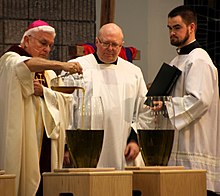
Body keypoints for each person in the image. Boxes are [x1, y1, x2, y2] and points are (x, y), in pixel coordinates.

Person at [0, 20, 82, 196]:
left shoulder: (48, 74)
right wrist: (62, 65)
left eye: (50, 45)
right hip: (23, 136)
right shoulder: (9, 60)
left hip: (46, 141)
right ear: (27, 40)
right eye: (43, 43)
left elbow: (66, 102)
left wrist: (44, 92)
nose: (47, 49)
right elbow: (23, 66)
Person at [65, 23, 147, 169]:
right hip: (83, 146)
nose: (110, 49)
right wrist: (67, 146)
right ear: (97, 42)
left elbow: (144, 110)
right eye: (105, 43)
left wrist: (135, 140)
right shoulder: (76, 67)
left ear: (122, 45)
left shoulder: (133, 72)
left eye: (115, 45)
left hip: (121, 145)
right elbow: (65, 108)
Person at [166, 5, 220, 195]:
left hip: (195, 146)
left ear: (191, 27)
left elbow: (200, 100)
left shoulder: (199, 60)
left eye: (177, 27)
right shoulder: (175, 61)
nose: (172, 33)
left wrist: (165, 106)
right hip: (177, 146)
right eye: (170, 28)